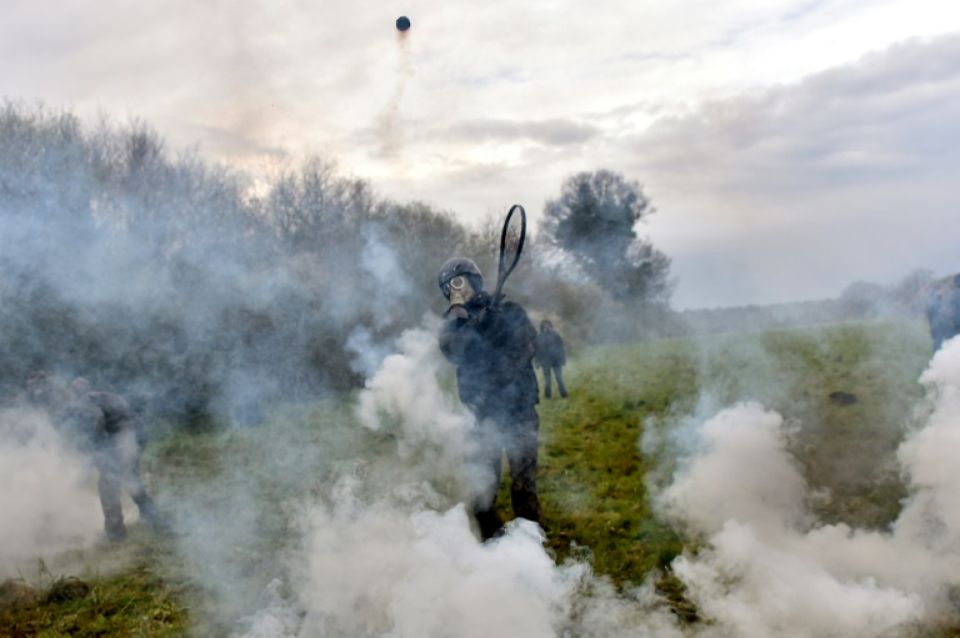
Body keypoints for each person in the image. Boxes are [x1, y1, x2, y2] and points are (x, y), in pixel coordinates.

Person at [437, 257, 542, 540]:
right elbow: (452, 351)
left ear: (474, 280)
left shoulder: (509, 311)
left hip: (519, 411)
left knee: (524, 486)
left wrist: (497, 325)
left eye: (459, 281)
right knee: (481, 493)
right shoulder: (453, 325)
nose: (456, 288)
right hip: (483, 417)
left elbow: (526, 346)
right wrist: (464, 318)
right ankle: (495, 548)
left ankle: (531, 549)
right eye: (449, 287)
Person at [27, 371, 164, 541]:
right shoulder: (100, 396)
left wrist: (96, 453)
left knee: (109, 484)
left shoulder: (87, 400)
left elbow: (96, 422)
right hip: (137, 434)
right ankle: (155, 520)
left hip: (127, 437)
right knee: (130, 479)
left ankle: (116, 536)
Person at [535, 319, 568, 399]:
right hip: (545, 362)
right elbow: (537, 351)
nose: (546, 327)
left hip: (556, 360)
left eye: (548, 325)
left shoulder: (556, 335)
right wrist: (537, 362)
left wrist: (563, 360)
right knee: (547, 380)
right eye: (544, 326)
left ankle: (564, 395)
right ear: (542, 328)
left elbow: (561, 348)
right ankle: (547, 396)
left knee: (559, 378)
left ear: (551, 326)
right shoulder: (539, 337)